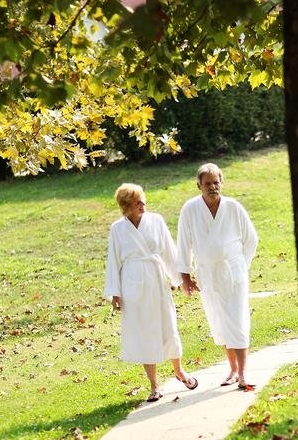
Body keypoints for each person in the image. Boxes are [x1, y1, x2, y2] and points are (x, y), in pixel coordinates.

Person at [105, 183, 198, 402]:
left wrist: (180, 278)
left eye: (143, 200)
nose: (142, 204)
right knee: (144, 332)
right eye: (136, 202)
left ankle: (179, 371)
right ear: (126, 206)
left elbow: (169, 251)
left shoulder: (156, 221)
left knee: (168, 326)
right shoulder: (118, 229)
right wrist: (115, 293)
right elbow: (113, 261)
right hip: (133, 286)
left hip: (157, 282)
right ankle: (154, 385)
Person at [177, 163, 259, 390]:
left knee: (237, 319)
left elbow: (251, 240)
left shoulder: (233, 207)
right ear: (199, 185)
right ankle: (232, 369)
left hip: (233, 272)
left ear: (221, 183)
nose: (212, 187)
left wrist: (241, 265)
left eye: (216, 182)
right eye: (207, 183)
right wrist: (185, 276)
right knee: (220, 321)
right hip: (208, 274)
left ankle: (243, 373)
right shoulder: (190, 209)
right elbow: (183, 243)